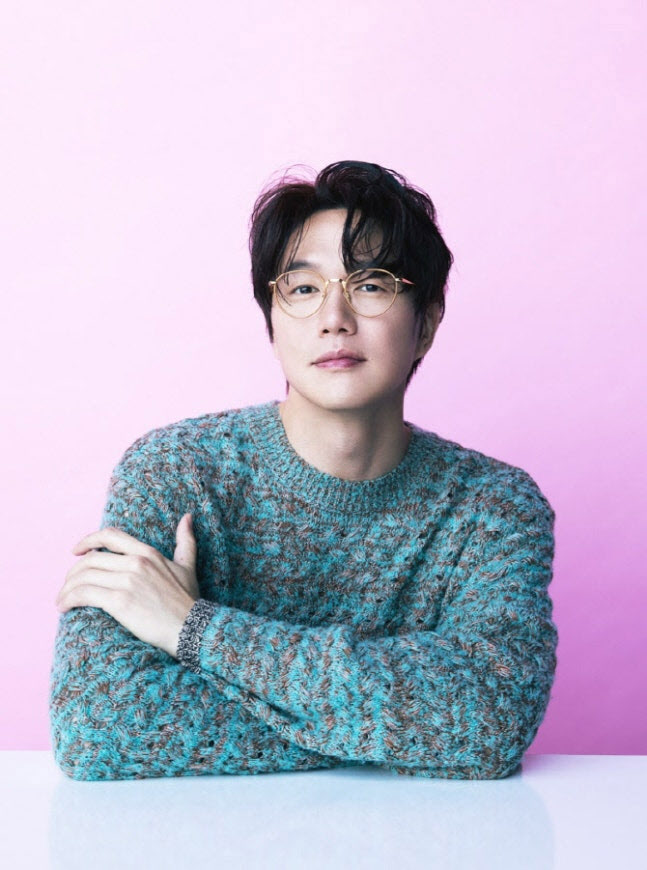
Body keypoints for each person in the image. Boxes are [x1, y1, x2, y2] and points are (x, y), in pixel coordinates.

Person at [49, 160, 558, 781]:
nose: (333, 317)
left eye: (371, 284)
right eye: (302, 288)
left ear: (425, 323)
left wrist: (193, 628)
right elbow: (97, 726)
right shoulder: (174, 472)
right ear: (272, 322)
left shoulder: (493, 506)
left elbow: (491, 721)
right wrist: (402, 727)